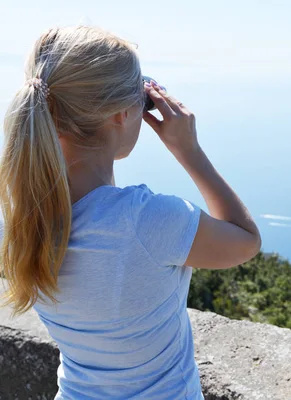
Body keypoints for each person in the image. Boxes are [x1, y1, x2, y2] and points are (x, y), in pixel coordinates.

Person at [0, 25, 261, 400]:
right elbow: (245, 240)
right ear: (121, 115)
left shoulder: (19, 220)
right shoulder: (146, 222)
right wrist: (189, 151)